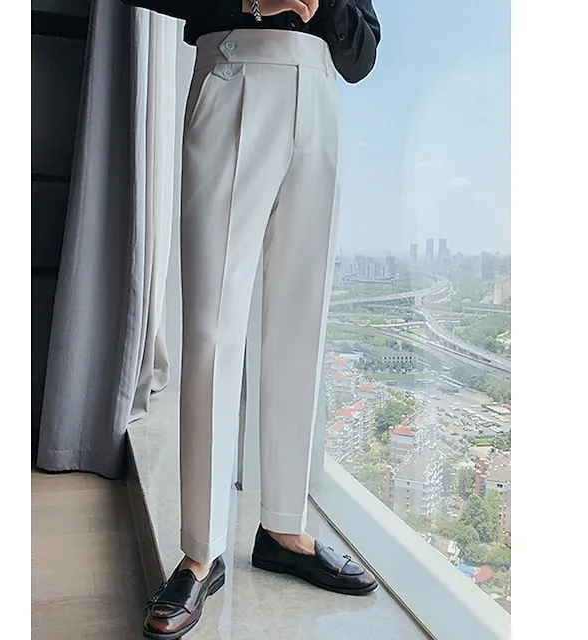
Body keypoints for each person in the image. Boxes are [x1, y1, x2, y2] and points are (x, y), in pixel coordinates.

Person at [121, 1, 381, 638]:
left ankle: (284, 529)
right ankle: (200, 551)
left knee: (302, 320)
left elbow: (363, 54)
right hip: (235, 73)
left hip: (319, 93)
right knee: (211, 326)